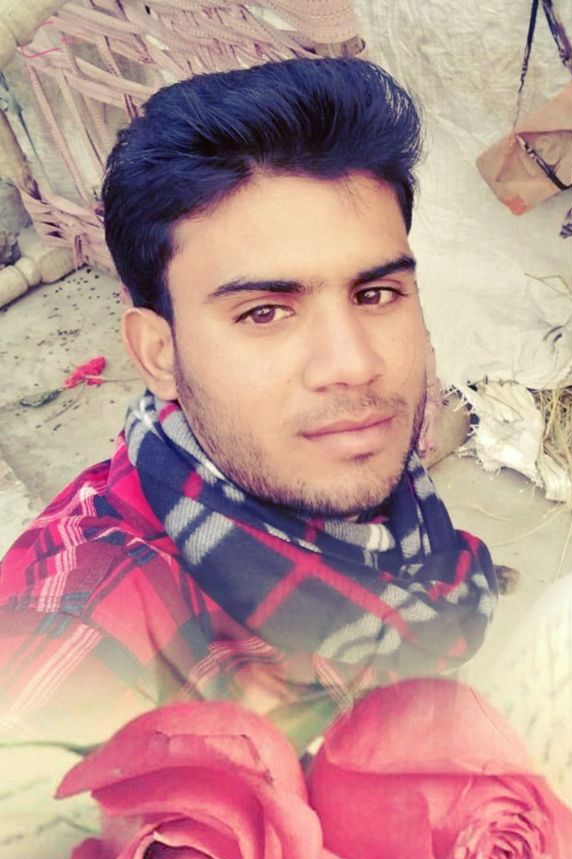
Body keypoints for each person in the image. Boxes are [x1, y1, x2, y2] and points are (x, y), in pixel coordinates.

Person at [0, 57, 497, 746]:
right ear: (159, 354)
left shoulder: (374, 490)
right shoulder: (90, 626)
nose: (355, 365)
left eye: (376, 294)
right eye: (264, 312)